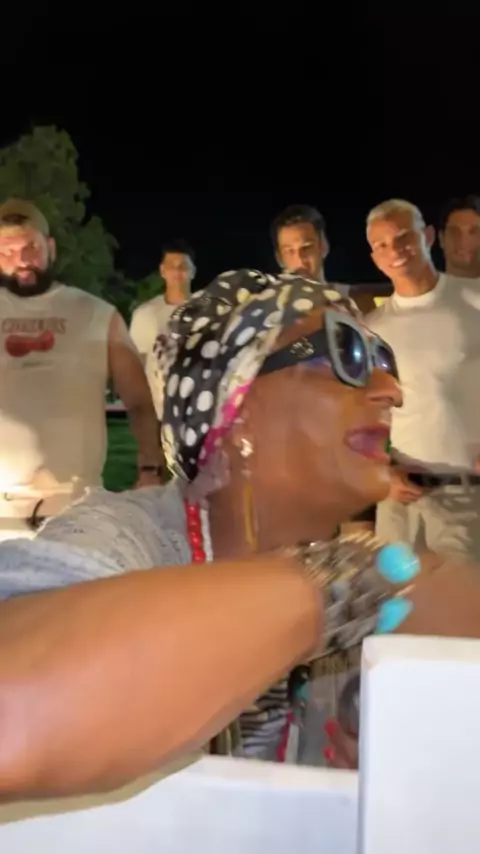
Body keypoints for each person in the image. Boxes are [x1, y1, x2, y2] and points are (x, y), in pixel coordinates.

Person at [1, 269, 480, 803]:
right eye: (346, 352)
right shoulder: (126, 541)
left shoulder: (372, 611)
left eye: (383, 359)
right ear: (238, 409)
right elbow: (14, 711)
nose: (391, 390)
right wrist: (354, 585)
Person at [0, 198, 162, 537]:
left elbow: (139, 400)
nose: (22, 260)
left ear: (50, 248)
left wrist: (150, 468)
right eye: (7, 252)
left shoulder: (97, 314)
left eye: (30, 247)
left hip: (78, 507)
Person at [366, 198, 480, 558]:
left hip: (464, 496)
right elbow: (364, 415)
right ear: (374, 257)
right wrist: (381, 473)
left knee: (459, 594)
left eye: (404, 237)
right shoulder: (371, 329)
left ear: (428, 236)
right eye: (382, 244)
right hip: (398, 502)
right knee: (390, 595)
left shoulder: (473, 300)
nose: (395, 251)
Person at [130, 239, 196, 422]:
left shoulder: (208, 312)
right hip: (158, 413)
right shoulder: (145, 314)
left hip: (197, 414)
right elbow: (137, 364)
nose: (177, 271)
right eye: (171, 266)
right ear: (162, 271)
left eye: (183, 266)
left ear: (193, 271)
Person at [439, 195, 480, 280]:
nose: (463, 241)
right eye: (454, 232)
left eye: (474, 232)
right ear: (441, 239)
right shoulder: (420, 287)